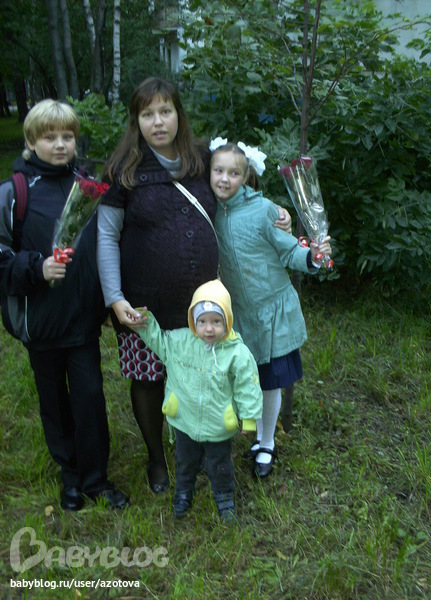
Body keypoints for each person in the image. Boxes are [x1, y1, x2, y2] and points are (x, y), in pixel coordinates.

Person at [97, 77, 291, 493]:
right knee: (148, 379)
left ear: (179, 115)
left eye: (165, 111)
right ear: (136, 121)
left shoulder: (201, 159)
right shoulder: (123, 171)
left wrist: (277, 212)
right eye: (147, 114)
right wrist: (114, 297)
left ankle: (202, 445)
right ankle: (156, 459)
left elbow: (237, 190)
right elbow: (106, 236)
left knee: (205, 377)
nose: (158, 121)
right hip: (145, 305)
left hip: (203, 306)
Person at [0, 99, 128, 511]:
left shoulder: (88, 187)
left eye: (67, 136)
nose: (60, 144)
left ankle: (95, 479)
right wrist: (37, 268)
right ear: (31, 141)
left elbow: (102, 247)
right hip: (40, 322)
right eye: (49, 137)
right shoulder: (14, 193)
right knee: (54, 402)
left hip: (81, 320)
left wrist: (105, 299)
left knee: (90, 398)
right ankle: (70, 477)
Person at [209, 140, 333, 478]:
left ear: (246, 176)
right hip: (238, 315)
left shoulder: (264, 210)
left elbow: (289, 251)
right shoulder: (209, 211)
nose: (225, 179)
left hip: (272, 311)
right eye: (218, 171)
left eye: (234, 173)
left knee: (270, 381)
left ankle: (267, 443)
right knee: (247, 378)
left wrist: (312, 257)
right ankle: (250, 435)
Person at [128, 279, 262, 522]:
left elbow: (248, 387)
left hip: (218, 425)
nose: (209, 329)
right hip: (185, 421)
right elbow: (159, 341)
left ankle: (224, 497)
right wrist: (144, 322)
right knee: (185, 461)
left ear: (227, 321)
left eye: (216, 322)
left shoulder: (236, 354)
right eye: (202, 322)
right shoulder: (179, 343)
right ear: (193, 322)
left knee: (220, 465)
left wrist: (249, 418)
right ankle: (183, 492)